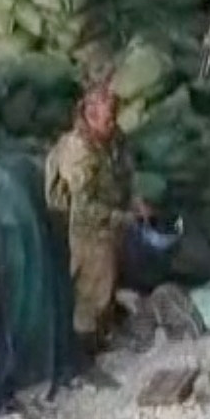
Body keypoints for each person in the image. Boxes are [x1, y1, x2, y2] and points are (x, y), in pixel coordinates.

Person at [44, 82, 141, 350]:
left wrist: (135, 201)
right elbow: (84, 209)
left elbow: (125, 172)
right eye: (107, 120)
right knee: (90, 291)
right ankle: (83, 350)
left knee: (108, 282)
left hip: (111, 218)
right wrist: (123, 217)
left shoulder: (113, 138)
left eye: (113, 118)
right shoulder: (78, 152)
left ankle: (104, 331)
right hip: (86, 229)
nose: (113, 124)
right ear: (89, 117)